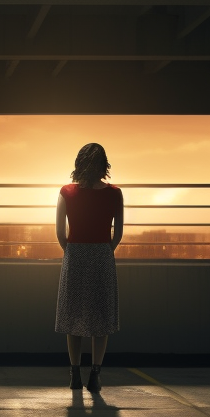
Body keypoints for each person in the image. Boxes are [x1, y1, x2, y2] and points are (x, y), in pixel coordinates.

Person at [55, 143, 124, 393]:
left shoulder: (66, 191)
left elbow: (60, 233)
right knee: (101, 316)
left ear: (78, 163)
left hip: (75, 254)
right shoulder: (115, 193)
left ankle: (74, 374)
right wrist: (104, 250)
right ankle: (95, 374)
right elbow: (118, 233)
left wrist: (72, 251)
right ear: (103, 164)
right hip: (102, 254)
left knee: (72, 315)